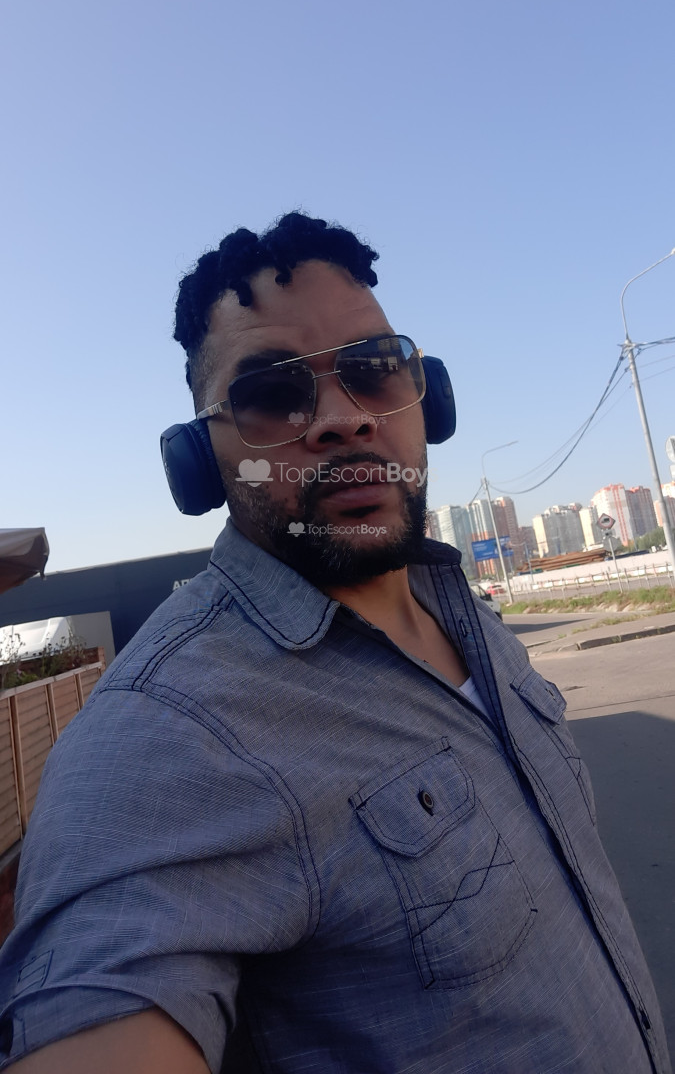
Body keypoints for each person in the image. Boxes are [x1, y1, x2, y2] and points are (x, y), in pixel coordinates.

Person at [0, 212, 669, 1074]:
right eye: (272, 394)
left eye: (373, 370)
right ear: (199, 460)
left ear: (427, 399)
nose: (342, 418)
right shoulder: (167, 732)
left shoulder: (471, 619)